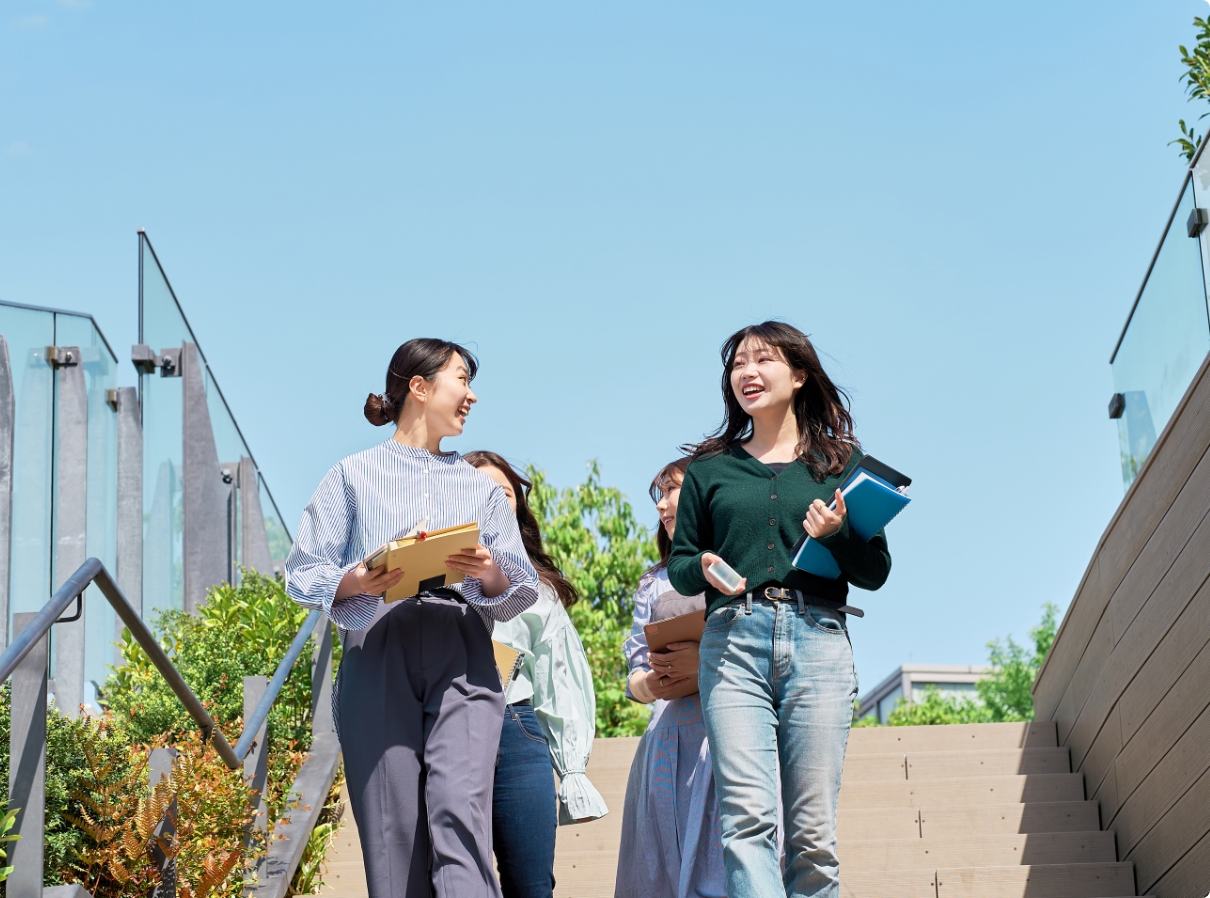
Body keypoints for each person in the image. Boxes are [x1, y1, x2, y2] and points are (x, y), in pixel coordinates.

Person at [284, 338, 539, 898]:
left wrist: (486, 568)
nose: (471, 395)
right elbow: (302, 571)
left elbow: (519, 586)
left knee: (461, 814)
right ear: (420, 389)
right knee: (392, 834)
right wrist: (359, 579)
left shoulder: (479, 487)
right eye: (462, 379)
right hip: (377, 642)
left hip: (463, 646)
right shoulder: (351, 474)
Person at [667, 321, 892, 898]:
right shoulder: (710, 468)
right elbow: (682, 562)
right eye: (738, 363)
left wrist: (839, 535)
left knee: (813, 834)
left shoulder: (841, 462)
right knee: (745, 823)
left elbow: (875, 573)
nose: (747, 372)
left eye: (762, 360)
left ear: (797, 375)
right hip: (732, 643)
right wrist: (708, 567)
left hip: (819, 640)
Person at [462, 450, 607, 898]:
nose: (492, 500)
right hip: (444, 729)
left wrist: (572, 769)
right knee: (459, 881)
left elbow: (558, 675)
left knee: (531, 885)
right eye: (478, 490)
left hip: (516, 727)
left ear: (517, 507)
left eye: (503, 493)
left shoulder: (537, 586)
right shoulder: (430, 576)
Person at [614, 457, 726, 898]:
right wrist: (658, 681)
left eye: (671, 491)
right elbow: (635, 678)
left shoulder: (740, 570)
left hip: (727, 734)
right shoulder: (653, 583)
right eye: (658, 496)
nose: (662, 505)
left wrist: (704, 666)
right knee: (659, 875)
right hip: (667, 745)